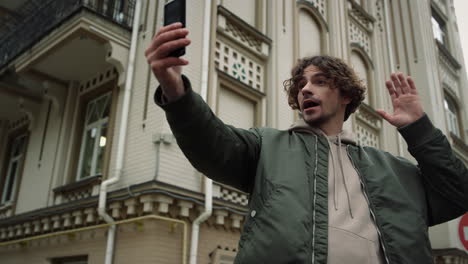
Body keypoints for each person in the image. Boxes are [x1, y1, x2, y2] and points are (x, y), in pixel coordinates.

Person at [145, 22, 468, 264]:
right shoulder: (267, 147)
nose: (306, 89)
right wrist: (176, 93)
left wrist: (419, 129)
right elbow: (211, 145)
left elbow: (458, 192)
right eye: (300, 84)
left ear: (345, 95)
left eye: (320, 82)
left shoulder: (396, 171)